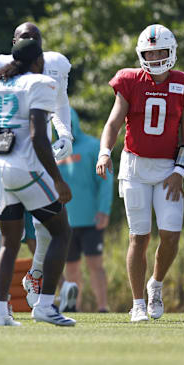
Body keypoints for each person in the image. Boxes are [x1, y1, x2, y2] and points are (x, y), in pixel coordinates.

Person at [0, 22, 74, 309]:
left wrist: (66, 135)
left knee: (37, 230)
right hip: (22, 158)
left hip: (24, 158)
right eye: (26, 39)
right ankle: (15, 302)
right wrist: (6, 141)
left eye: (35, 38)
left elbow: (60, 106)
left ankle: (29, 280)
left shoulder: (51, 68)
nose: (32, 43)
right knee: (13, 233)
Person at [96, 24, 184, 322]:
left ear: (171, 52)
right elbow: (113, 123)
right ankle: (138, 303)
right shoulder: (130, 80)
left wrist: (180, 170)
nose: (155, 57)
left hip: (169, 168)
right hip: (134, 168)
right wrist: (105, 152)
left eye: (160, 52)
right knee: (138, 237)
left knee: (171, 236)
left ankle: (155, 284)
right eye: (149, 52)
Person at [58, 108, 112, 312]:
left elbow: (105, 182)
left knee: (95, 264)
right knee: (71, 267)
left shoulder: (92, 146)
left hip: (91, 219)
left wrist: (104, 210)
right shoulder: (55, 149)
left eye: (69, 123)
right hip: (65, 221)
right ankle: (74, 307)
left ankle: (102, 307)